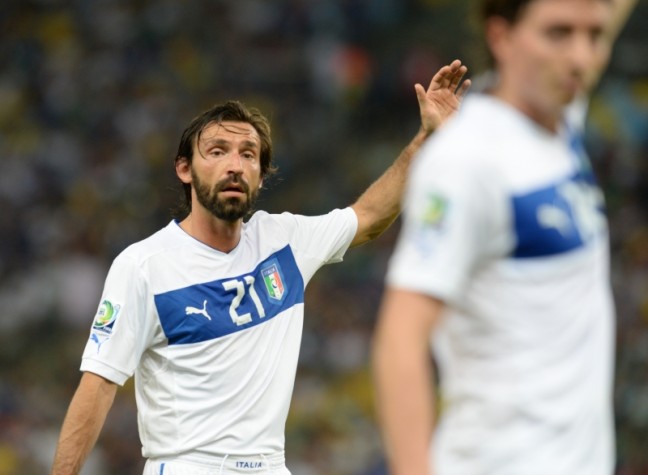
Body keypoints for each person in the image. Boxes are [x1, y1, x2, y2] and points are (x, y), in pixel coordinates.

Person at [50, 60, 470, 475]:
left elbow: (372, 216)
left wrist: (426, 138)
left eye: (248, 155)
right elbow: (98, 387)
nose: (235, 164)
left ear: (261, 175)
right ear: (184, 169)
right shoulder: (144, 266)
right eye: (217, 151)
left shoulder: (284, 241)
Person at [371, 1, 637, 474]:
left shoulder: (556, 116)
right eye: (557, 34)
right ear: (502, 37)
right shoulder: (469, 160)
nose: (580, 56)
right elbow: (400, 339)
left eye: (592, 37)